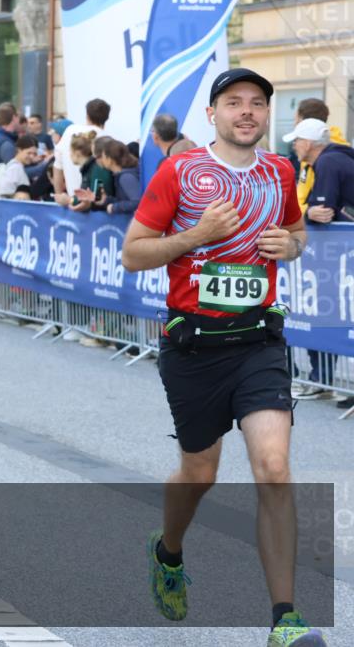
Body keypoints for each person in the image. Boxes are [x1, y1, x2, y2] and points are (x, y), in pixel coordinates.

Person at [122, 68, 327, 647]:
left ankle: (285, 619)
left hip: (258, 341)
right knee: (200, 473)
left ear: (267, 114)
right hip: (194, 347)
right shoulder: (179, 172)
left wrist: (291, 245)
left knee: (274, 468)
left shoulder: (279, 171)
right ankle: (168, 551)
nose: (247, 111)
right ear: (212, 114)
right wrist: (195, 235)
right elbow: (133, 254)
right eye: (234, 102)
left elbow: (295, 234)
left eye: (257, 102)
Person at [284, 117, 354, 402]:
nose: (295, 146)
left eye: (297, 141)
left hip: (338, 253)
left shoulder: (327, 162)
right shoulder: (333, 159)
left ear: (310, 143)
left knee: (330, 311)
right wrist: (309, 212)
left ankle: (322, 379)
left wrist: (308, 213)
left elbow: (323, 211)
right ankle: (322, 378)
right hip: (340, 251)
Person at [291, 98, 349, 214]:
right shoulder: (338, 147)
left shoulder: (316, 154)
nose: (294, 123)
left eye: (296, 119)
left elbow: (316, 203)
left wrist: (303, 213)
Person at [53, 99, 111, 205]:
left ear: (87, 115)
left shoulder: (70, 131)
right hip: (92, 205)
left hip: (75, 202)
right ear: (107, 118)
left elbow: (57, 167)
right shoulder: (108, 141)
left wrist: (59, 196)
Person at [67, 132, 115, 212]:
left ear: (77, 152)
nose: (69, 155)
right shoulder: (88, 169)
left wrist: (70, 200)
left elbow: (97, 198)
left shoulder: (97, 169)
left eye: (70, 151)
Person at [0, 134, 39, 199]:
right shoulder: (15, 168)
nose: (32, 156)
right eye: (29, 153)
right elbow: (5, 194)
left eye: (34, 154)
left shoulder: (14, 166)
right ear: (19, 150)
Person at [96, 140, 141, 214]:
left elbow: (138, 202)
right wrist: (107, 200)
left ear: (110, 160)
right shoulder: (122, 175)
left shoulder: (126, 177)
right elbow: (125, 200)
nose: (102, 160)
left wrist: (115, 207)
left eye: (103, 157)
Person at [0, 102, 21, 168]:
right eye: (18, 117)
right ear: (14, 117)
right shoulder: (6, 141)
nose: (19, 120)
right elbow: (13, 169)